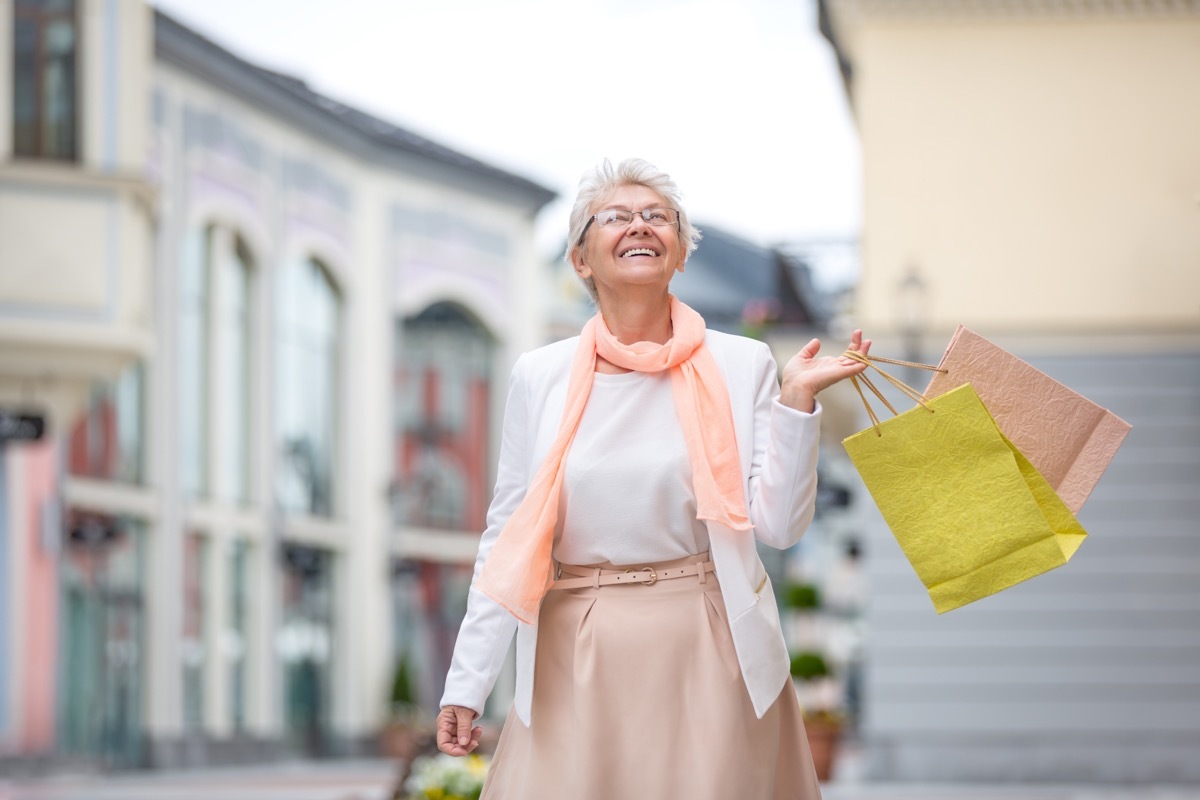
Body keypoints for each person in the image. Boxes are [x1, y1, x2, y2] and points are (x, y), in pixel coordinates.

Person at [436, 158, 871, 799]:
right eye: (616, 216)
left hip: (708, 636)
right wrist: (467, 683)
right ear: (581, 259)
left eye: (657, 216)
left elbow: (778, 526)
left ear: (679, 253)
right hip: (575, 644)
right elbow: (507, 538)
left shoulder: (742, 362)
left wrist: (796, 403)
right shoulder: (540, 375)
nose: (640, 225)